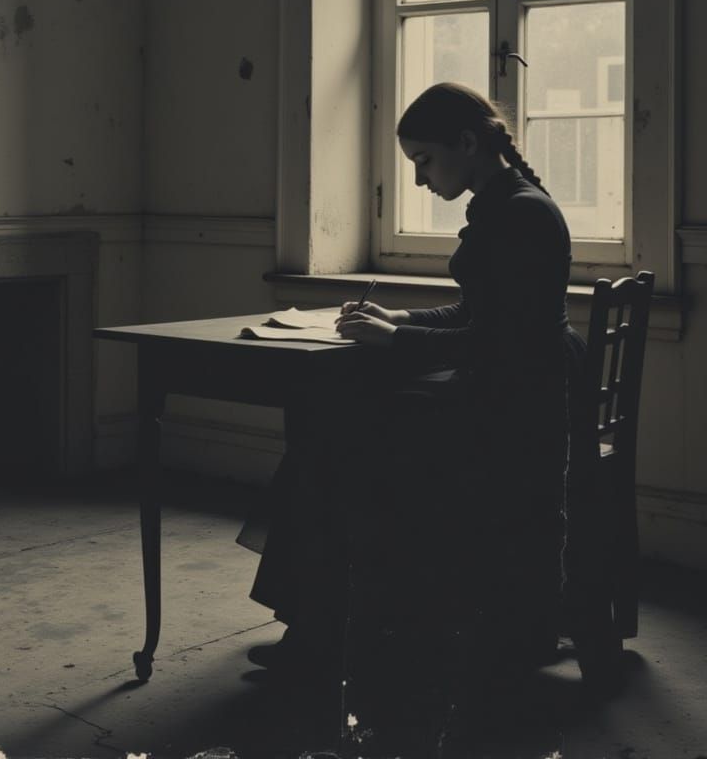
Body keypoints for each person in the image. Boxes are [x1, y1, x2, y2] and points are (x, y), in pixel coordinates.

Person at [245, 82, 586, 731]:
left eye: (425, 161)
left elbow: (501, 341)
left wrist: (398, 339)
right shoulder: (506, 206)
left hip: (512, 413)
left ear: (467, 143)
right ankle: (320, 625)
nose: (421, 179)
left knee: (328, 448)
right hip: (512, 394)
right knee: (328, 439)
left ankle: (323, 631)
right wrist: (399, 318)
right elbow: (477, 313)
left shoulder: (519, 215)